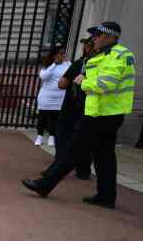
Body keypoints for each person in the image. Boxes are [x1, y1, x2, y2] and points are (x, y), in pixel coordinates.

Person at [22, 22, 136, 209]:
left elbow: (105, 84)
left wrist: (84, 82)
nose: (94, 39)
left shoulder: (118, 55)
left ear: (109, 37)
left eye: (97, 35)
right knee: (104, 156)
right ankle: (106, 196)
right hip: (105, 113)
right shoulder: (107, 54)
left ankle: (45, 184)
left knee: (72, 149)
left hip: (101, 114)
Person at [47, 37, 95, 180]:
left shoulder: (81, 63)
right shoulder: (100, 64)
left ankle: (55, 170)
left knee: (64, 139)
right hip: (90, 109)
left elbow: (61, 84)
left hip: (72, 108)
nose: (83, 47)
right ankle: (83, 169)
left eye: (86, 44)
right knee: (86, 140)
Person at [34, 46, 71, 147]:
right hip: (46, 95)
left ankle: (52, 137)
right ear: (55, 55)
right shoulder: (48, 65)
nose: (63, 55)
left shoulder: (68, 65)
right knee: (43, 116)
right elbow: (43, 77)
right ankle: (39, 136)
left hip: (60, 96)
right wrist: (54, 64)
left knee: (55, 117)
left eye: (64, 53)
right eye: (60, 53)